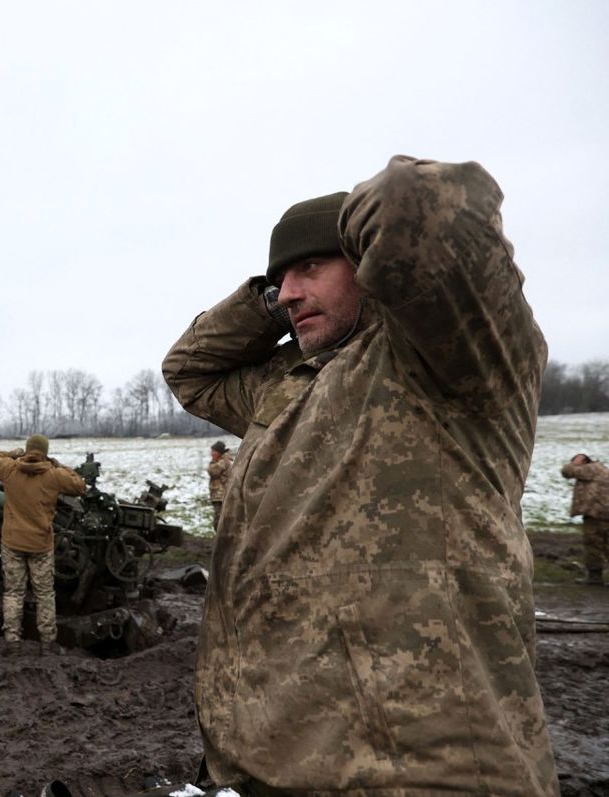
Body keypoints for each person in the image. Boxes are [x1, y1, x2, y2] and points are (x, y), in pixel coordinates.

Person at [162, 156, 558, 795]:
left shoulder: (446, 364)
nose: (289, 293)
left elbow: (417, 205)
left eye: (311, 267)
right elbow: (189, 370)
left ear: (370, 267)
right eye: (279, 282)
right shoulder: (285, 386)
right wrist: (270, 303)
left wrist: (360, 243)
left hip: (423, 771)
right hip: (271, 762)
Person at [0, 434, 86, 656]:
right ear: (45, 452)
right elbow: (80, 485)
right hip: (40, 544)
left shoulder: (9, 468)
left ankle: (13, 644)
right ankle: (47, 645)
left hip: (12, 542)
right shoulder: (54, 475)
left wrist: (10, 454)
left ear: (26, 450)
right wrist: (59, 465)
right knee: (44, 594)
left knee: (13, 593)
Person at [560, 452, 609, 586]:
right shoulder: (598, 469)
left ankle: (594, 578)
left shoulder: (590, 469)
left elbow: (566, 472)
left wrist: (576, 461)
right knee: (604, 545)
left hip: (597, 514)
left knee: (593, 545)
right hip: (603, 512)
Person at [207, 440, 232, 531]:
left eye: (214, 451)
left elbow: (212, 471)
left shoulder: (223, 462)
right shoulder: (223, 460)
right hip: (219, 495)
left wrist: (213, 461)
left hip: (221, 495)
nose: (212, 454)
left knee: (219, 520)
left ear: (219, 452)